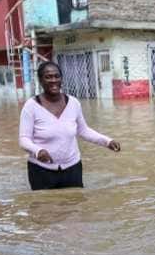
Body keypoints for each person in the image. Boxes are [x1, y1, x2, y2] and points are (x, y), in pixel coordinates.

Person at [19, 61, 120, 190]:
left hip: (72, 168)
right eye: (48, 77)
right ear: (40, 80)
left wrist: (107, 141)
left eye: (57, 76)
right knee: (44, 207)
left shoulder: (73, 103)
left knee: (75, 205)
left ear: (61, 79)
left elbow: (83, 130)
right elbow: (23, 139)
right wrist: (38, 151)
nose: (53, 80)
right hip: (41, 170)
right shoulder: (31, 106)